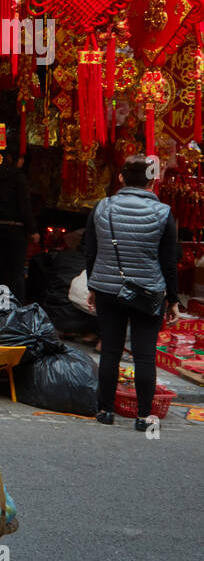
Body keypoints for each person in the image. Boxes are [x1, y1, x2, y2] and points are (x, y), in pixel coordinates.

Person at [84, 155, 180, 431]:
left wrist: (93, 285)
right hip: (148, 292)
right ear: (152, 181)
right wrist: (173, 299)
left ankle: (104, 411)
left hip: (107, 289)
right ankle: (142, 416)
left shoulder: (103, 207)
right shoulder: (163, 213)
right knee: (144, 355)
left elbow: (90, 251)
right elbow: (168, 262)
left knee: (110, 352)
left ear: (122, 178)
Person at [0, 145, 37, 302]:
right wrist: (33, 230)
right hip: (15, 229)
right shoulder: (19, 178)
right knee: (16, 271)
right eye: (22, 158)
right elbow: (25, 207)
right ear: (13, 158)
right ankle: (17, 308)